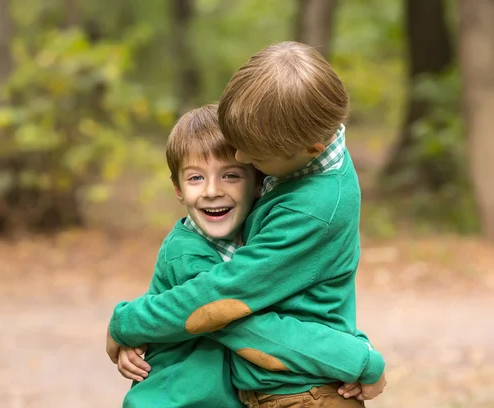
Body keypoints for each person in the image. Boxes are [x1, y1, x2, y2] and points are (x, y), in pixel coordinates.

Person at [112, 100, 386, 408]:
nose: (212, 190)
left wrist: (357, 342)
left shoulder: (256, 239)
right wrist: (357, 358)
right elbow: (249, 327)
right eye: (195, 177)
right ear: (177, 189)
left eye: (230, 175)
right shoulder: (186, 253)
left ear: (259, 183)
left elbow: (295, 308)